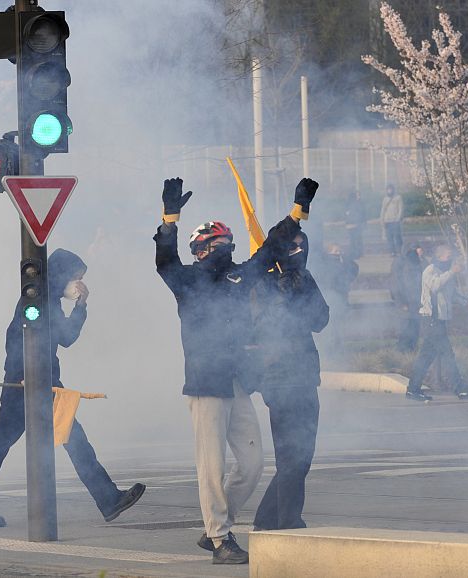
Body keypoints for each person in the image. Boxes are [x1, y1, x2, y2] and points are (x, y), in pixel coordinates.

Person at [153, 176, 318, 565]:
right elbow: (164, 260)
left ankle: (215, 527)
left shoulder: (239, 277)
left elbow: (270, 249)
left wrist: (297, 212)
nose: (226, 247)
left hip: (236, 383)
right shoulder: (187, 283)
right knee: (212, 467)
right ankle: (220, 537)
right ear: (201, 250)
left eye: (228, 242)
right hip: (206, 384)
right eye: (218, 243)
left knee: (252, 464)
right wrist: (170, 219)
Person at [0, 248, 145, 527]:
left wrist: (80, 306)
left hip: (36, 382)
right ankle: (108, 499)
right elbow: (21, 340)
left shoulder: (46, 300)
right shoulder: (39, 300)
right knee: (71, 441)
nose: (79, 284)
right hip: (32, 384)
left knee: (5, 444)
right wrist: (24, 376)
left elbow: (63, 337)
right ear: (62, 276)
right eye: (76, 278)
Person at [247, 231, 329, 531]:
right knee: (289, 455)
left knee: (303, 456)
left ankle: (267, 519)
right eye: (291, 246)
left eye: (301, 246)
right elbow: (264, 325)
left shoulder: (304, 277)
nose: (297, 251)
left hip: (305, 376)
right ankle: (287, 521)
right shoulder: (262, 283)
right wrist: (286, 293)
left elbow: (321, 319)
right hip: (278, 379)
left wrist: (301, 287)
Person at [406, 244, 468, 402]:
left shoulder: (448, 273)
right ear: (439, 257)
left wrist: (467, 303)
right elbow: (435, 286)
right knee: (447, 354)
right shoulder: (430, 270)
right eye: (448, 256)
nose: (451, 259)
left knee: (426, 357)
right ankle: (460, 388)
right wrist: (452, 272)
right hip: (431, 319)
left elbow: (453, 294)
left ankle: (413, 389)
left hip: (439, 320)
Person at [390, 244, 426, 352]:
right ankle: (402, 352)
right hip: (405, 301)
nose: (420, 250)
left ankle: (412, 350)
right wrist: (401, 302)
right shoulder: (400, 262)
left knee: (415, 327)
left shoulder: (419, 260)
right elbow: (395, 283)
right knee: (406, 328)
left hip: (416, 301)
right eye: (417, 248)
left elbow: (427, 273)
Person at [380, 184, 403, 256]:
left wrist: (398, 218)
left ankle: (400, 250)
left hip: (395, 220)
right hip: (387, 221)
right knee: (389, 237)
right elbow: (383, 210)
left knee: (397, 236)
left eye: (390, 189)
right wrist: (382, 219)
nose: (389, 191)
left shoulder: (398, 198)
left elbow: (401, 209)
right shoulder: (385, 199)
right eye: (388, 189)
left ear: (393, 190)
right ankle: (392, 251)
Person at [344, 191, 366, 260]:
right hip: (355, 225)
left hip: (350, 225)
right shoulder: (357, 203)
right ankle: (357, 253)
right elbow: (361, 214)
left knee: (353, 241)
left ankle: (354, 253)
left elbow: (346, 214)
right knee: (357, 240)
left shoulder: (348, 204)